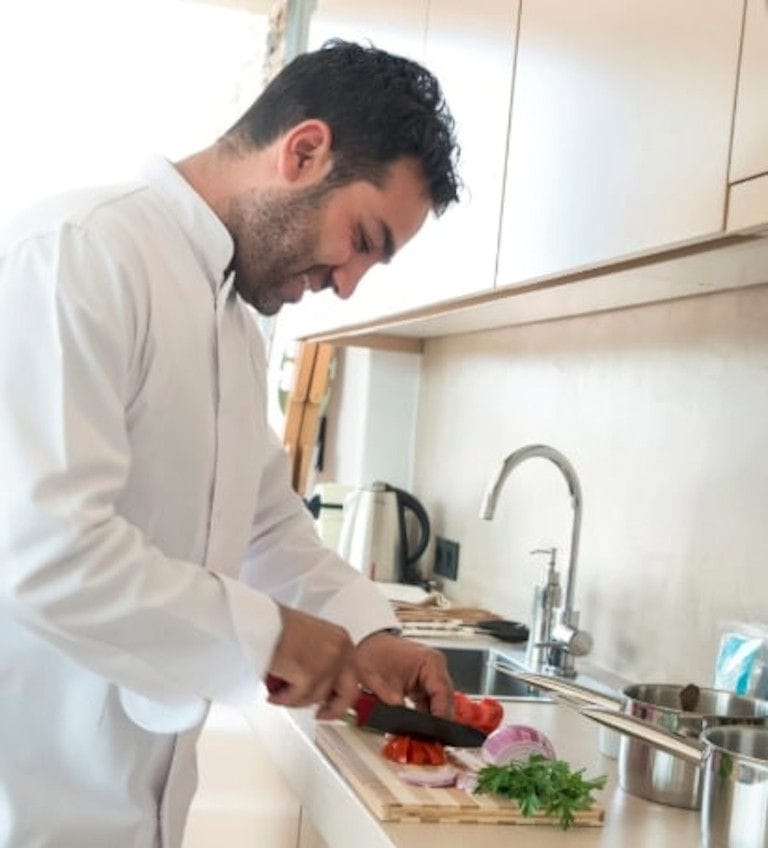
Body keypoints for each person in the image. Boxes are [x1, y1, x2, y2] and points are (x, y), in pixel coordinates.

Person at [0, 39, 461, 847]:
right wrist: (271, 634)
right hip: (32, 802)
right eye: (364, 237)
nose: (348, 282)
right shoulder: (79, 255)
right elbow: (41, 546)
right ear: (305, 151)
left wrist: (369, 631)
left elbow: (264, 525)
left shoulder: (233, 326)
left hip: (134, 807)